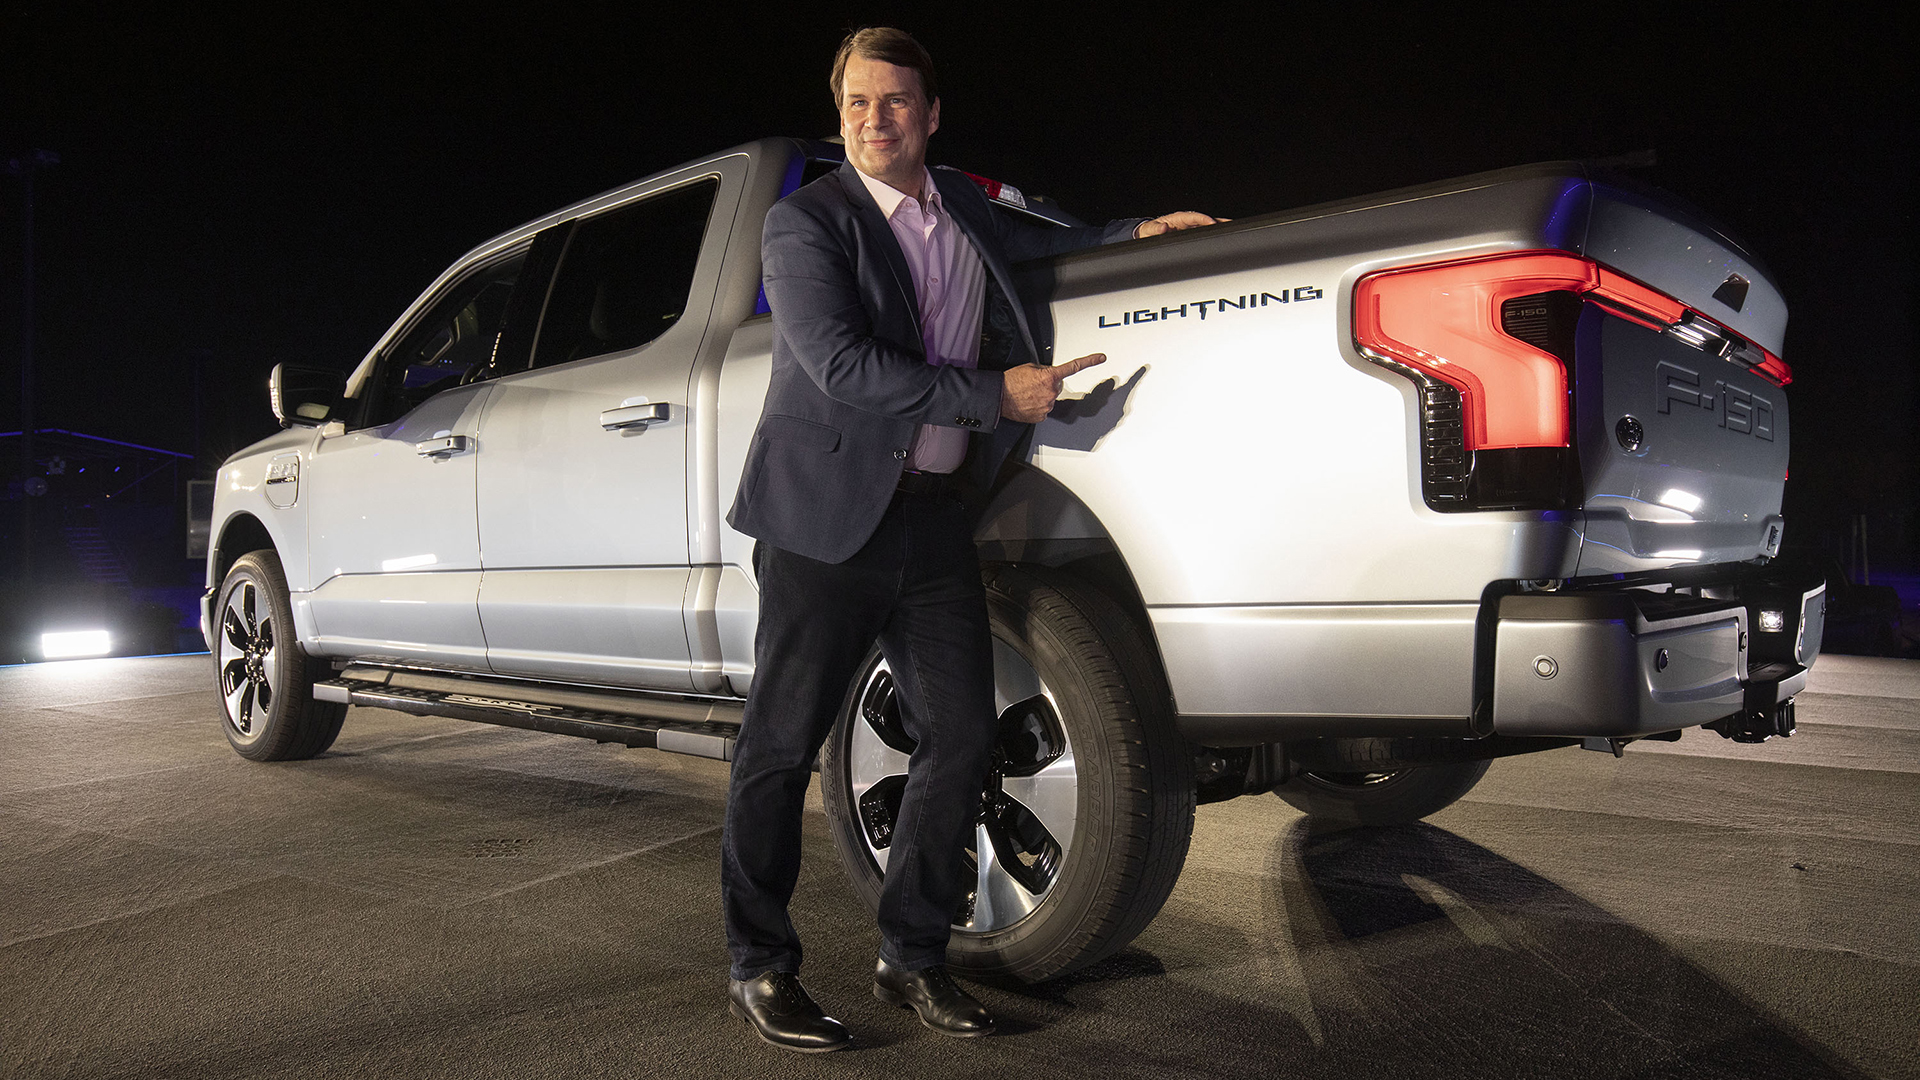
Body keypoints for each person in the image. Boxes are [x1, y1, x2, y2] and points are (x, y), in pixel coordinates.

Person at [720, 26, 1218, 1053]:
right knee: (779, 748)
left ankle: (911, 957)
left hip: (935, 520)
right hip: (823, 523)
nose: (874, 119)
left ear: (931, 114)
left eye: (895, 101)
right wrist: (998, 395)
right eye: (857, 102)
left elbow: (1042, 245)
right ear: (840, 113)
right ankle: (759, 966)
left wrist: (1136, 234)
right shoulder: (805, 224)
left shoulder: (962, 208)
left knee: (960, 736)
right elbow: (842, 364)